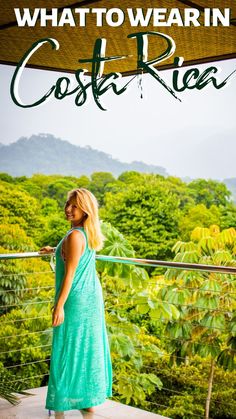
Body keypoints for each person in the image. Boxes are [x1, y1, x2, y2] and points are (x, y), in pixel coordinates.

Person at [40, 188, 113, 413]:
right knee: (86, 346)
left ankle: (62, 400)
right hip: (90, 296)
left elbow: (70, 274)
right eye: (68, 204)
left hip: (76, 299)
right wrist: (55, 249)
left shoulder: (74, 236)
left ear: (86, 210)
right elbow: (74, 254)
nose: (68, 209)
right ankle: (87, 400)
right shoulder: (84, 233)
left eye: (75, 206)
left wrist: (59, 305)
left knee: (67, 346)